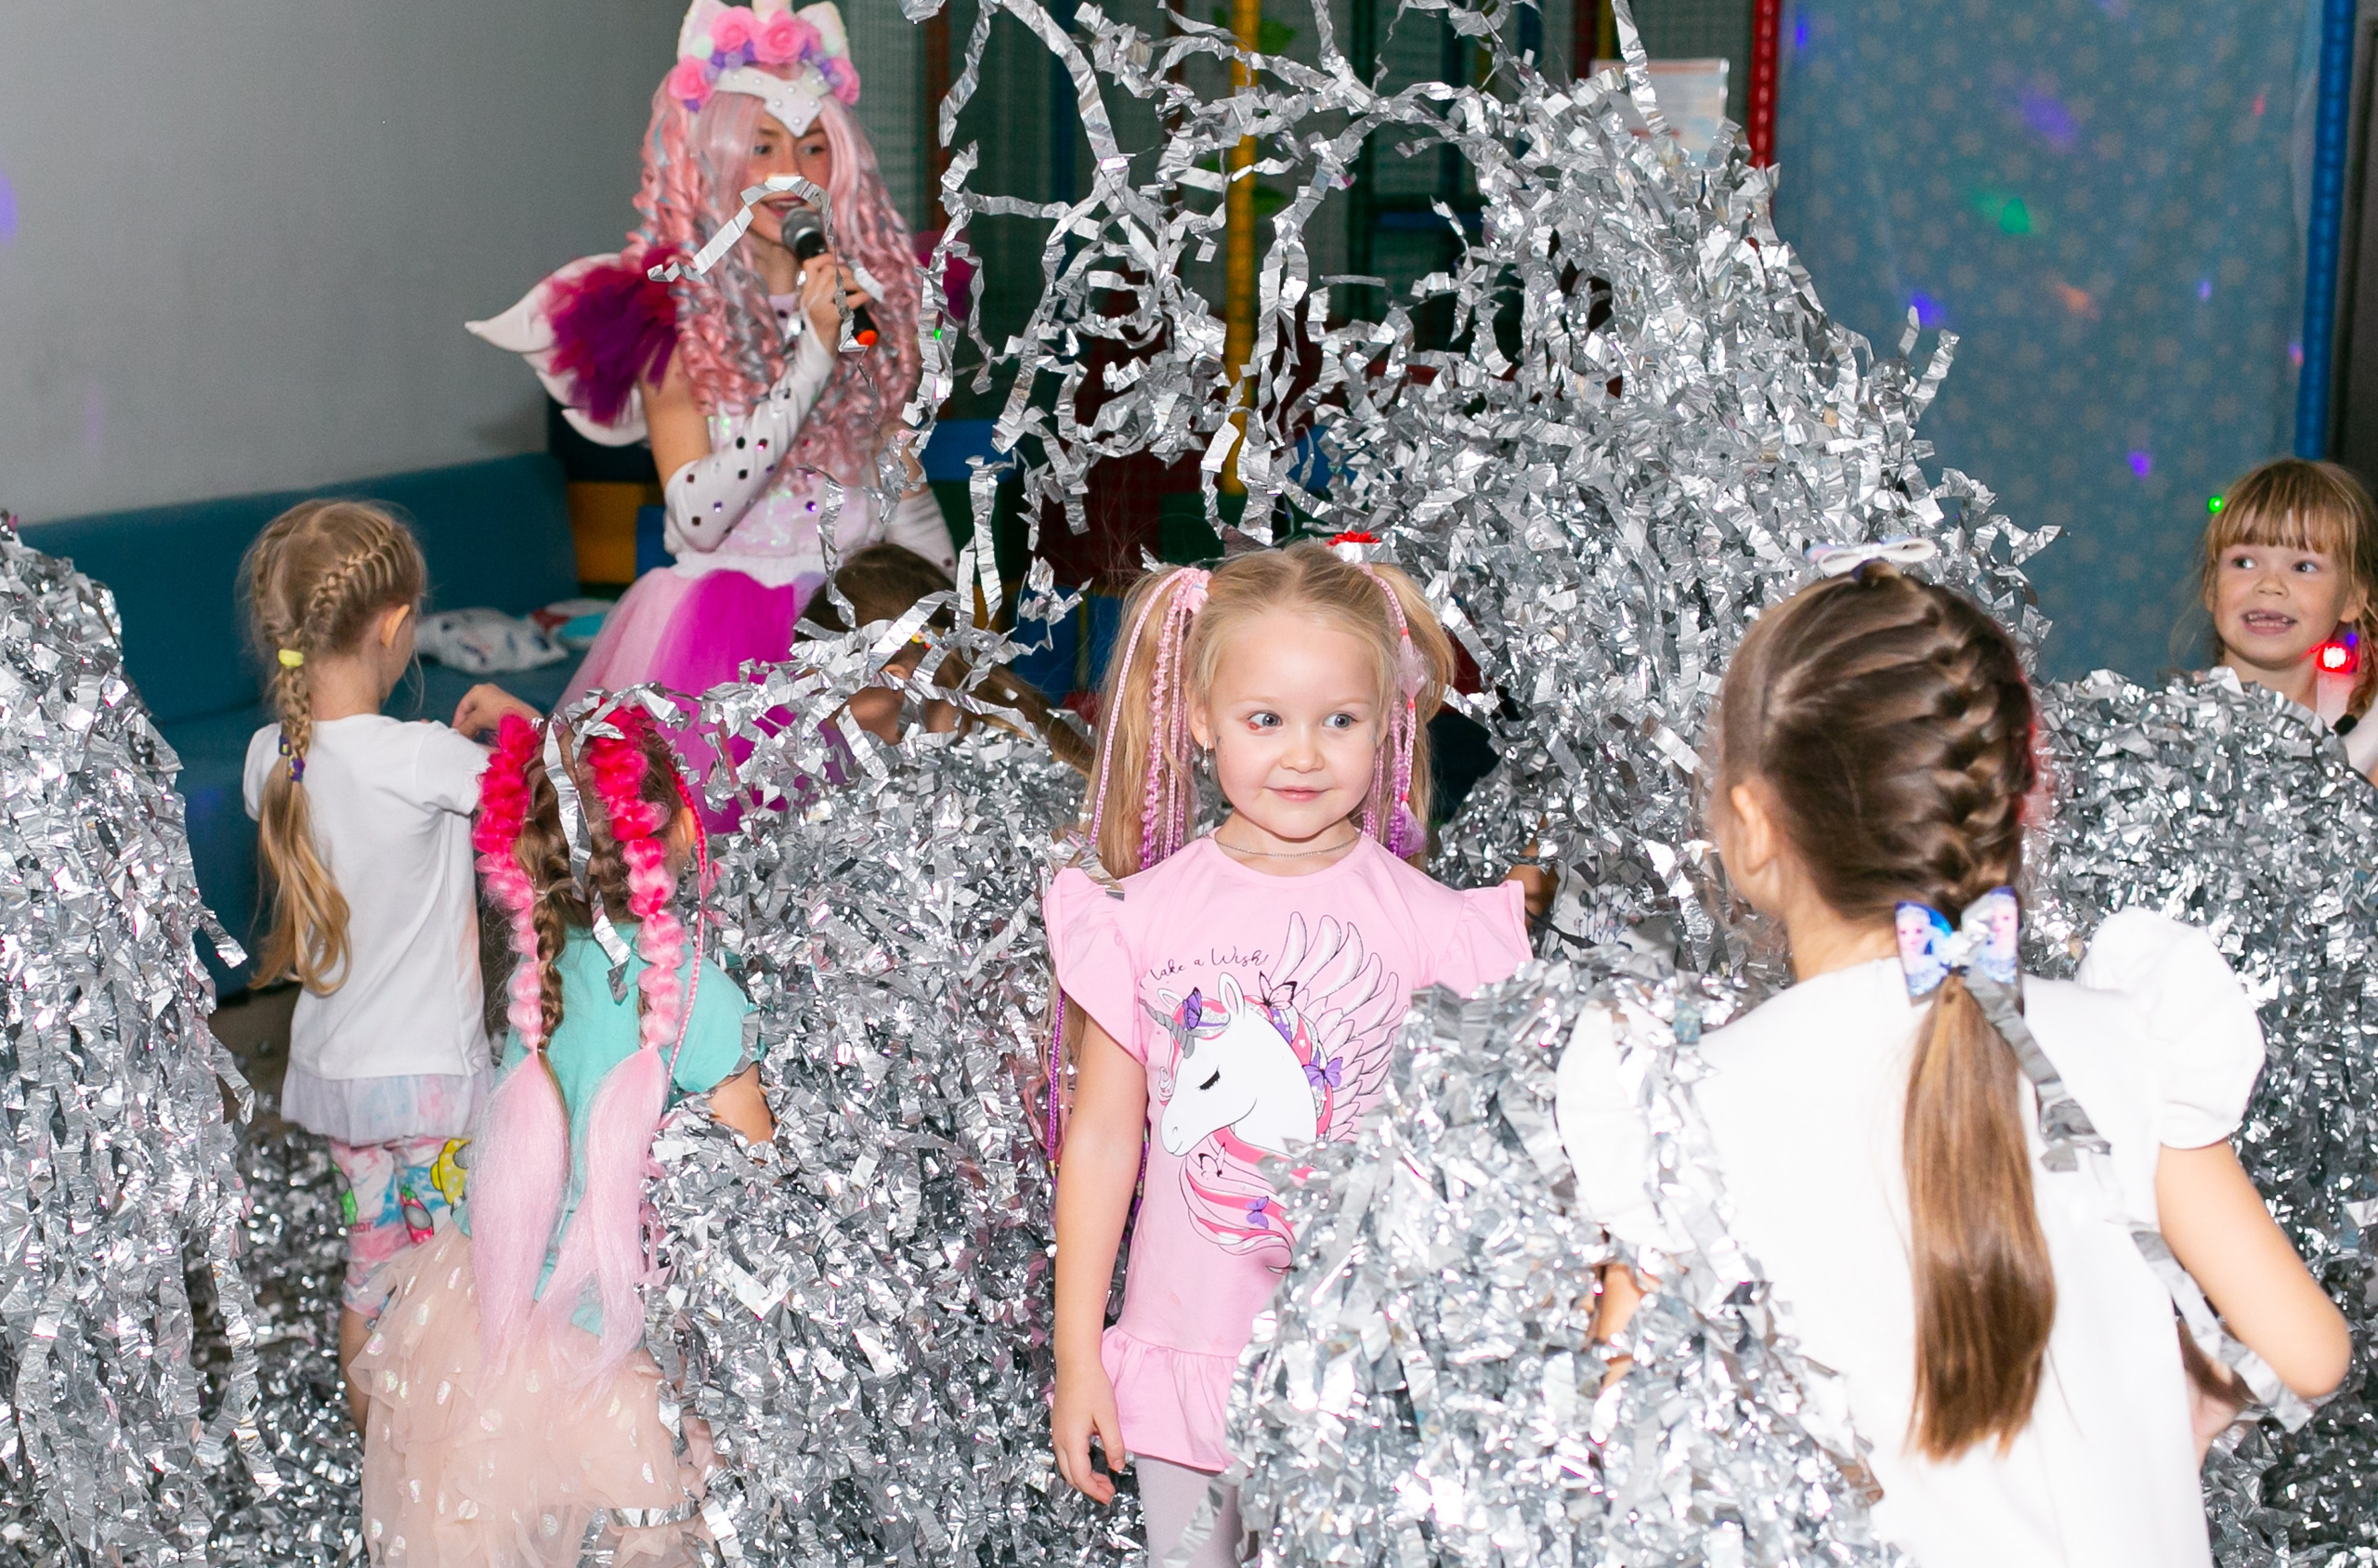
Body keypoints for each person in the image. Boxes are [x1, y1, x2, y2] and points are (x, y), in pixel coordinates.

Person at [1556, 561, 2349, 1566]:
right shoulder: (2121, 1036)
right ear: (2008, 803)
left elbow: (1617, 1453)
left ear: (1753, 822)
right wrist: (2185, 1399)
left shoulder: (1679, 1107)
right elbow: (2308, 1354)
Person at [1042, 538, 1534, 1567]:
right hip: (1183, 1362)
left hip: (1359, 1380)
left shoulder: (1431, 925)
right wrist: (1075, 1354)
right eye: (1266, 720)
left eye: (1338, 722)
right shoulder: (1140, 918)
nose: (1303, 756)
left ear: (1385, 723)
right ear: (1200, 720)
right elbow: (1100, 1144)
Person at [470, 0, 953, 704]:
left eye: (811, 145)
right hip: (727, 646)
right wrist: (813, 358)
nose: (789, 169)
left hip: (863, 630)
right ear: (716, 160)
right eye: (760, 146)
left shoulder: (864, 295)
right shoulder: (669, 316)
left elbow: (893, 472)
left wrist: (946, 608)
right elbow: (698, 516)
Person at [353, 707, 773, 1565]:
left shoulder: (540, 967)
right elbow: (755, 1180)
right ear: (685, 831)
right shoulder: (707, 1000)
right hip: (617, 1353)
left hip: (482, 1316)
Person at [239, 500, 501, 1431]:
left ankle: (375, 1434)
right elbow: (553, 799)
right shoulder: (424, 758)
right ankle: (451, 1448)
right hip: (428, 1081)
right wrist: (512, 721)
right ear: (394, 627)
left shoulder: (273, 756)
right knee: (461, 1260)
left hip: (338, 1076)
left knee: (375, 1251)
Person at [802, 541, 1095, 769]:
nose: (815, 716)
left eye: (826, 697)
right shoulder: (919, 760)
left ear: (892, 681)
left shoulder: (1005, 765)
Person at [2193, 456, 2378, 777]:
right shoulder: (2167, 730)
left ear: (2352, 598)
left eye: (2303, 567)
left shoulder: (2370, 738)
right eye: (2244, 563)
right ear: (2211, 587)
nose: (2270, 584)